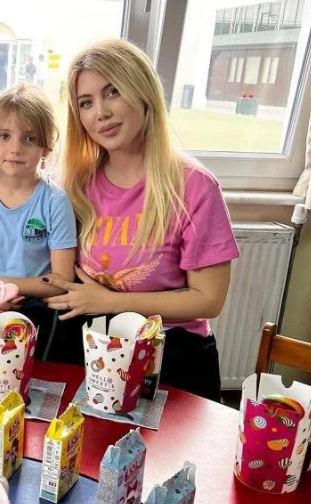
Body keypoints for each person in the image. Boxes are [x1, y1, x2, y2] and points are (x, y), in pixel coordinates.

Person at [43, 40, 239, 401]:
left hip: (172, 354)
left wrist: (110, 302)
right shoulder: (70, 184)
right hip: (92, 346)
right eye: (86, 103)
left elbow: (209, 300)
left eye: (112, 92)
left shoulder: (195, 186)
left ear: (142, 91)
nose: (101, 113)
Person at [0, 83, 77, 358]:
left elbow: (62, 279)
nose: (15, 148)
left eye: (29, 138)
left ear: (45, 148)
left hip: (39, 305)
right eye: (4, 136)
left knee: (34, 371)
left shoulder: (55, 201)